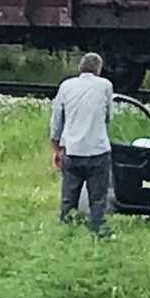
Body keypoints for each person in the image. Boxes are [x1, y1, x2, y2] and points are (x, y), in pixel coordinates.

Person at [50, 52, 114, 238]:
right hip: (98, 151)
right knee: (98, 198)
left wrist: (56, 148)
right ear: (99, 69)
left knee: (68, 198)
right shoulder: (105, 86)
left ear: (80, 68)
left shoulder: (66, 86)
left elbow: (56, 121)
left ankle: (66, 232)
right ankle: (97, 231)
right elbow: (109, 116)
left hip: (72, 151)